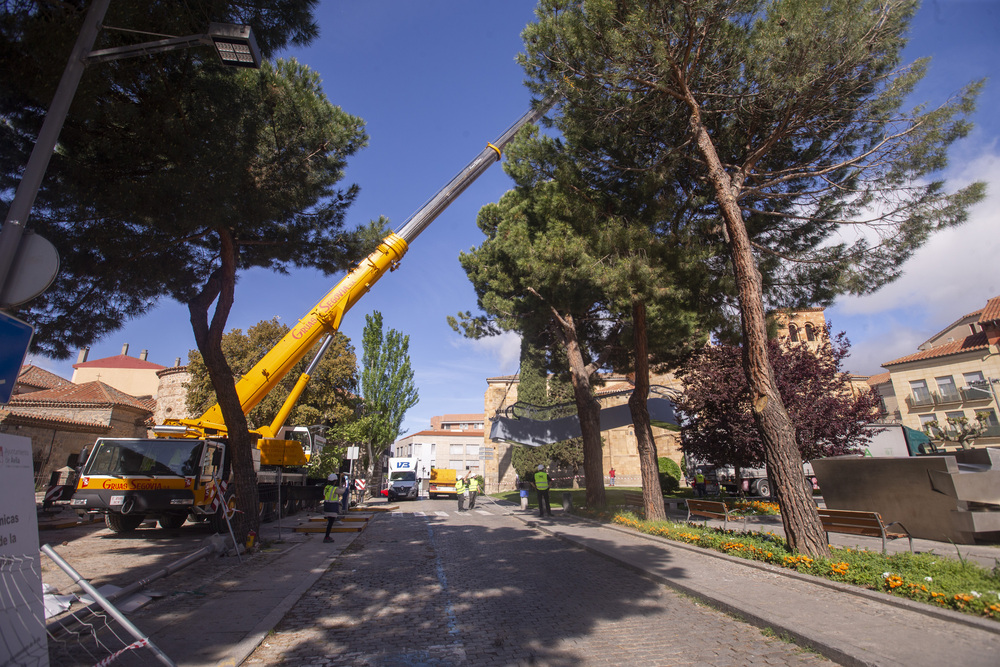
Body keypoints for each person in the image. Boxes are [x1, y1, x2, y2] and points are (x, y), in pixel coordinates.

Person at [322, 474, 340, 543]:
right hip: (332, 507)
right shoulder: (334, 488)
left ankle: (327, 536)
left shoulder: (326, 488)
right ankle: (326, 537)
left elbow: (324, 495)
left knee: (330, 522)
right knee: (330, 523)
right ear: (334, 481)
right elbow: (340, 493)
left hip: (326, 506)